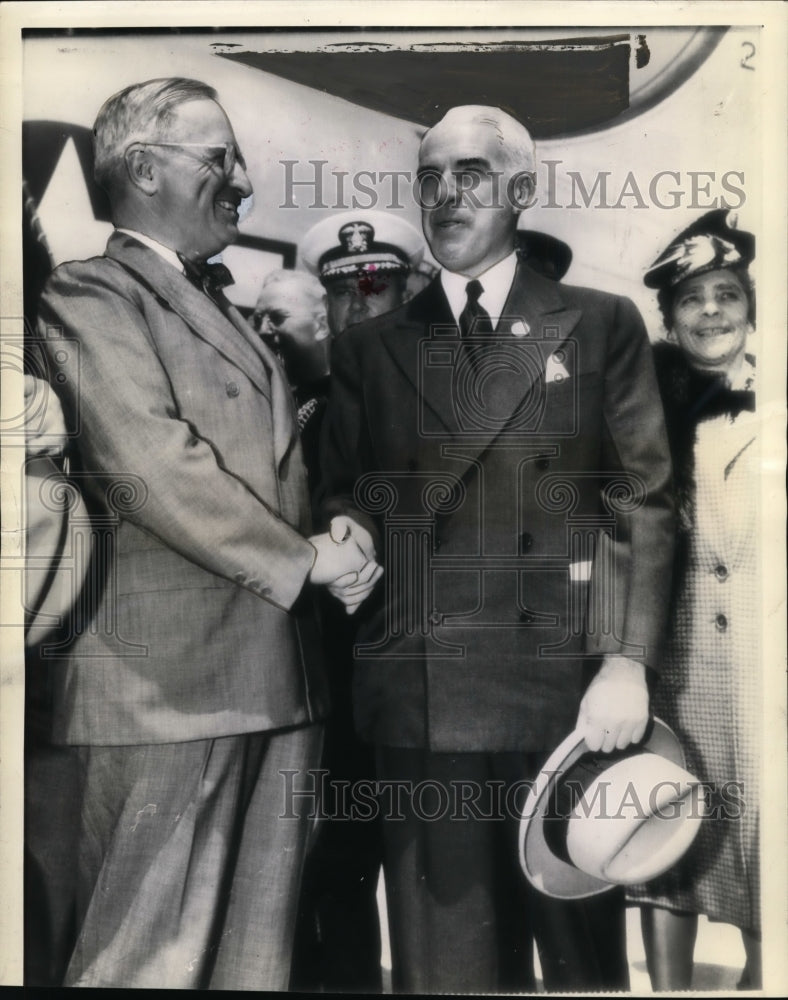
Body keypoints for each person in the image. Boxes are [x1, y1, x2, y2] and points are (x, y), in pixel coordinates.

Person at [31, 76, 380, 990]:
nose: (243, 181)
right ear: (142, 168)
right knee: (143, 958)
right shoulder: (91, 293)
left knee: (249, 965)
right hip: (170, 692)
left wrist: (339, 534)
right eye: (218, 159)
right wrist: (306, 561)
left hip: (273, 681)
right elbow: (155, 465)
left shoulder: (220, 306)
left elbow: (273, 468)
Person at [318, 105, 676, 993]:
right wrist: (347, 531)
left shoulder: (600, 323)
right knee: (445, 965)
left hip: (567, 696)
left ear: (521, 190)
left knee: (581, 963)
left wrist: (626, 663)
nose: (446, 196)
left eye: (470, 175)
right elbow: (344, 488)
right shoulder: (369, 348)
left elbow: (643, 501)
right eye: (431, 178)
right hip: (422, 693)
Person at [286, 211, 423, 992]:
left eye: (378, 288)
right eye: (343, 294)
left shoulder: (447, 391)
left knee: (431, 875)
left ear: (408, 291)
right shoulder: (302, 406)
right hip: (328, 675)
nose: (360, 307)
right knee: (334, 868)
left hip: (422, 669)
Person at [628, 209, 760, 990]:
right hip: (675, 663)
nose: (710, 312)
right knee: (667, 833)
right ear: (670, 320)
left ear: (750, 307)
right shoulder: (643, 409)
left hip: (763, 661)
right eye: (691, 300)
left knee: (764, 845)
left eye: (726, 295)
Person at [251, 269, 331, 497]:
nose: (262, 330)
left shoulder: (343, 399)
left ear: (321, 326)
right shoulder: (271, 393)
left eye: (277, 318)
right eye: (258, 319)